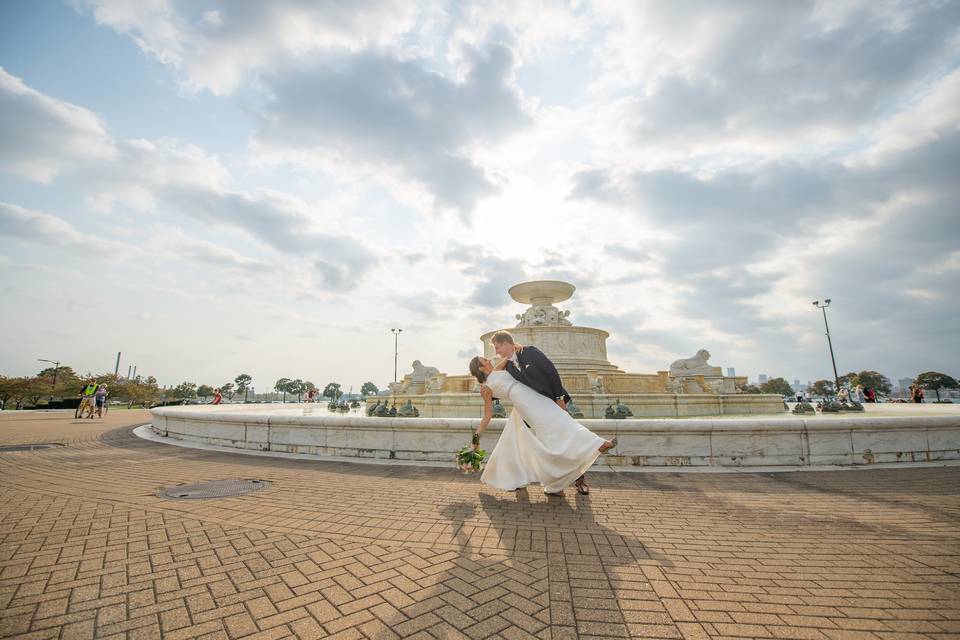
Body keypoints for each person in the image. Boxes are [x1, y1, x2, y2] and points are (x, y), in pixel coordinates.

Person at [468, 354, 616, 497]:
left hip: (534, 395)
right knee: (556, 427)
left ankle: (557, 484)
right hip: (524, 403)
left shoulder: (496, 371)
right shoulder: (485, 388)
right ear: (480, 369)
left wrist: (516, 347)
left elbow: (507, 358)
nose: (489, 359)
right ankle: (598, 444)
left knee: (561, 422)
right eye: (485, 360)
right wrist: (476, 438)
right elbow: (487, 416)